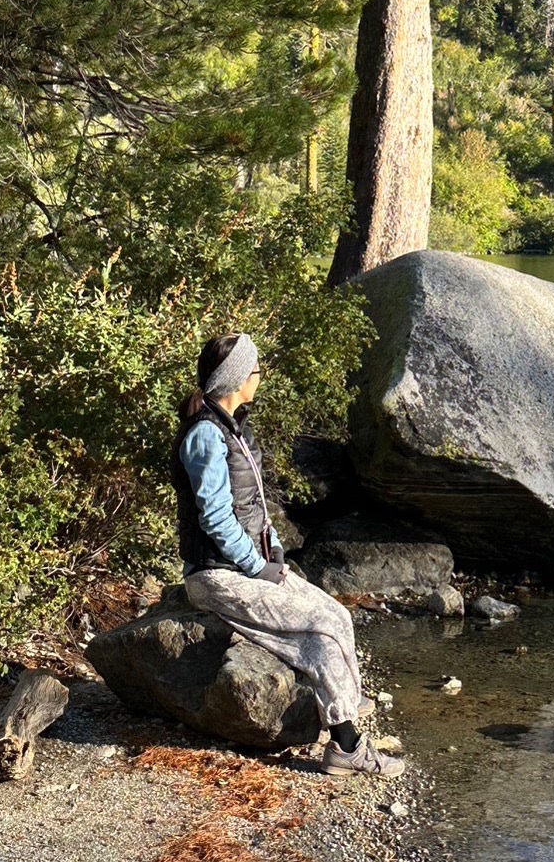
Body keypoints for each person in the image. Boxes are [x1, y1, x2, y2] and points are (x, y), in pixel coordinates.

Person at [171, 332, 404, 778]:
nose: (260, 377)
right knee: (320, 630)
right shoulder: (205, 435)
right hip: (216, 575)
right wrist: (257, 566)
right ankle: (347, 747)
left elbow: (255, 505)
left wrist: (273, 548)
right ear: (238, 378)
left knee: (337, 615)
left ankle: (343, 707)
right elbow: (215, 519)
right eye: (255, 370)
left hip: (246, 565)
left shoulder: (233, 427)